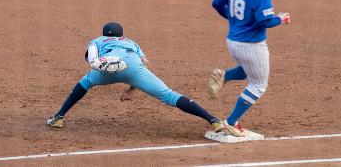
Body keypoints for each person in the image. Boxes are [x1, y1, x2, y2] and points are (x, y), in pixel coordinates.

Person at [47, 22, 222, 133]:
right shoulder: (131, 42)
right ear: (121, 35)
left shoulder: (97, 40)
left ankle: (58, 117)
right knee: (169, 96)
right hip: (132, 66)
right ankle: (213, 120)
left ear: (103, 34)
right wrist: (132, 87)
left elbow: (91, 59)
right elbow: (145, 62)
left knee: (85, 83)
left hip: (106, 69)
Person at [208, 0, 290, 137]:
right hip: (251, 44)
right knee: (258, 85)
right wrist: (282, 18)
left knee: (247, 71)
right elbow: (265, 20)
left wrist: (231, 18)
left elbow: (216, 2)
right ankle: (230, 122)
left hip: (233, 41)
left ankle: (224, 76)